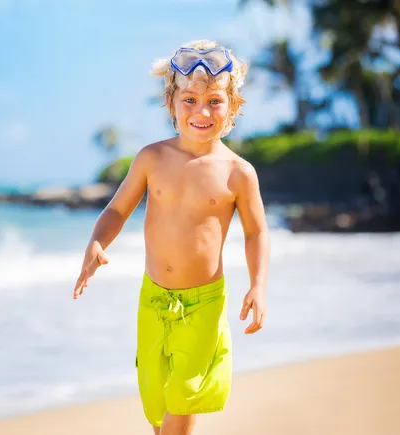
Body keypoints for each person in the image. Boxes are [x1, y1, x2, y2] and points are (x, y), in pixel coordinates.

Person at [73, 40, 270, 435]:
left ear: (232, 108)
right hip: (154, 299)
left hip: (203, 303)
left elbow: (256, 231)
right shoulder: (152, 158)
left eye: (214, 101)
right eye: (190, 99)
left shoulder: (238, 172)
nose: (201, 111)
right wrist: (97, 243)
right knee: (158, 402)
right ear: (171, 103)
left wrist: (258, 285)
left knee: (184, 393)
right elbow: (117, 210)